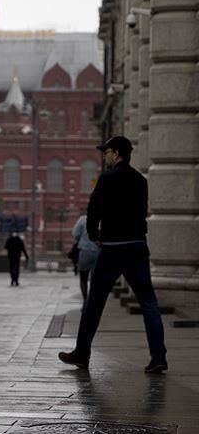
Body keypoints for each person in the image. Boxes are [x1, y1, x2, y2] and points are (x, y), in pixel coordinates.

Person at [59, 136, 168, 373]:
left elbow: (93, 208)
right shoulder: (140, 180)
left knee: (94, 303)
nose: (104, 156)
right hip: (137, 247)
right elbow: (142, 211)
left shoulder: (107, 179)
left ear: (117, 154)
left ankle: (82, 353)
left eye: (106, 152)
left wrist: (93, 233)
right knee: (148, 303)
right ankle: (158, 357)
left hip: (113, 249)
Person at [71, 213, 100, 303]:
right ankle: (93, 299)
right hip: (99, 253)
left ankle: (85, 300)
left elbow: (75, 234)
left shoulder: (83, 220)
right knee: (96, 279)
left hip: (85, 252)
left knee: (83, 278)